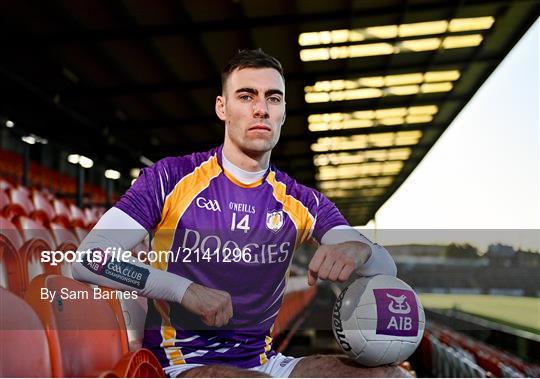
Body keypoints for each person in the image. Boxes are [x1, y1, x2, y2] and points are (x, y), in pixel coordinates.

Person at [73, 49, 405, 378]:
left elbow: (385, 268)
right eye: (246, 96)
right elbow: (88, 258)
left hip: (264, 363)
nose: (261, 109)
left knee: (390, 376)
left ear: (284, 111)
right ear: (222, 107)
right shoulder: (170, 177)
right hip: (181, 364)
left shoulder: (303, 201)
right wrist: (183, 289)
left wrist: (362, 250)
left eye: (273, 99)